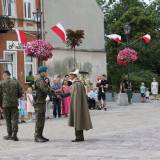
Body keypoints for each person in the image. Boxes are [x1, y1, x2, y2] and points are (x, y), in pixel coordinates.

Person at [68, 69, 93, 142]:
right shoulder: (76, 83)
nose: (69, 76)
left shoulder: (77, 84)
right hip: (76, 105)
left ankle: (79, 137)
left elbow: (77, 98)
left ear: (74, 75)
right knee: (78, 120)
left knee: (78, 119)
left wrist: (76, 106)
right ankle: (80, 136)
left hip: (77, 105)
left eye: (70, 75)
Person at [33, 66, 55, 143]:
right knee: (39, 120)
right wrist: (54, 93)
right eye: (45, 72)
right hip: (38, 103)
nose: (46, 73)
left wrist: (53, 92)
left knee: (42, 120)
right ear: (42, 72)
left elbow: (47, 88)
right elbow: (45, 89)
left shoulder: (42, 80)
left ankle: (40, 135)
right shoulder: (39, 80)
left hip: (41, 102)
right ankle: (37, 136)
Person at [0, 70, 23, 141]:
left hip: (5, 104)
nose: (3, 77)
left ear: (6, 75)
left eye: (3, 75)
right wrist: (16, 97)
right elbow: (20, 92)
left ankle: (9, 134)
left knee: (8, 120)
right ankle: (14, 135)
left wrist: (0, 104)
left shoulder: (1, 83)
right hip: (14, 104)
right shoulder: (16, 82)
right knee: (14, 119)